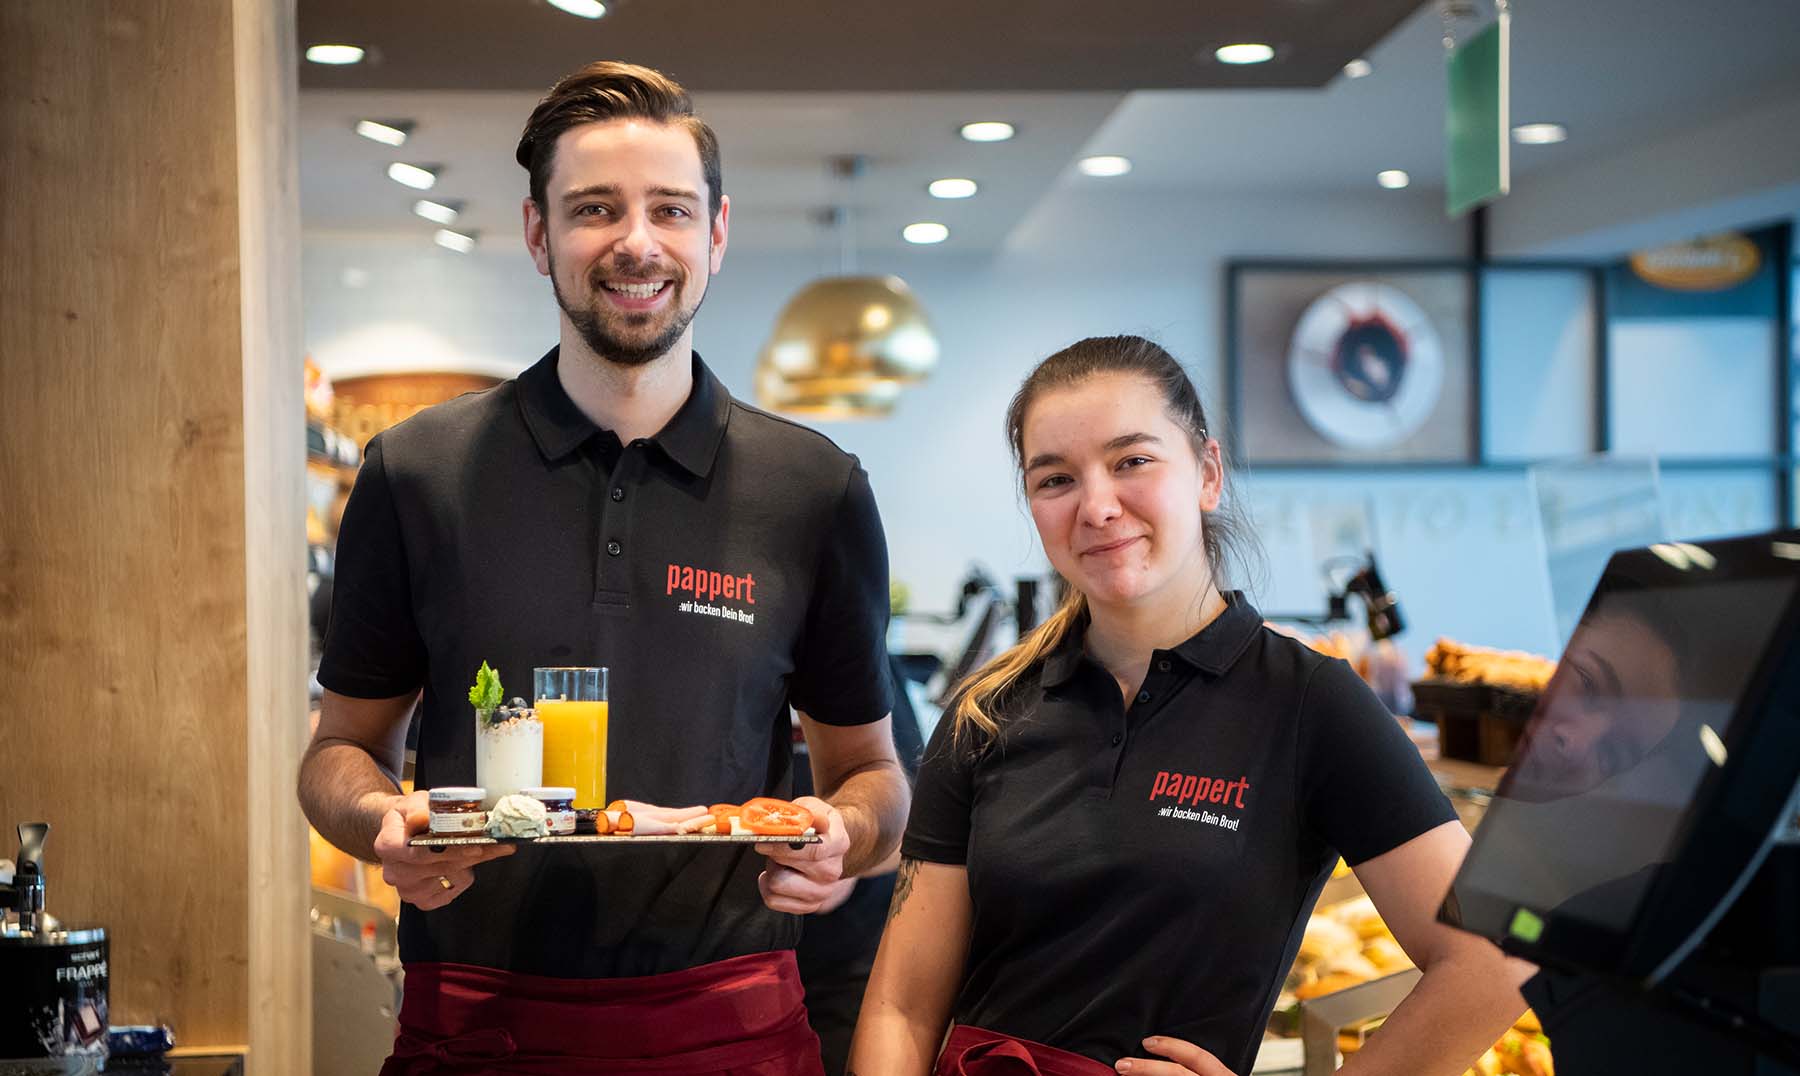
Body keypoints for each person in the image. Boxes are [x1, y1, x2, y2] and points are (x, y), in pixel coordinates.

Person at [297, 61, 909, 1076]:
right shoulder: (416, 471)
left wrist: (841, 835)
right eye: (594, 209)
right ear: (539, 235)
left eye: (670, 208)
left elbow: (874, 775)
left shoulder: (815, 488)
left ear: (715, 233)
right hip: (476, 1024)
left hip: (732, 1028)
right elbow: (338, 752)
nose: (636, 241)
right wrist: (379, 821)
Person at [849, 335, 1530, 1076]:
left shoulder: (1308, 701)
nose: (1098, 506)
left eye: (1132, 461)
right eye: (1056, 479)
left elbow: (1494, 959)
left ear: (1207, 473)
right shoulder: (985, 713)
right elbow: (902, 1008)